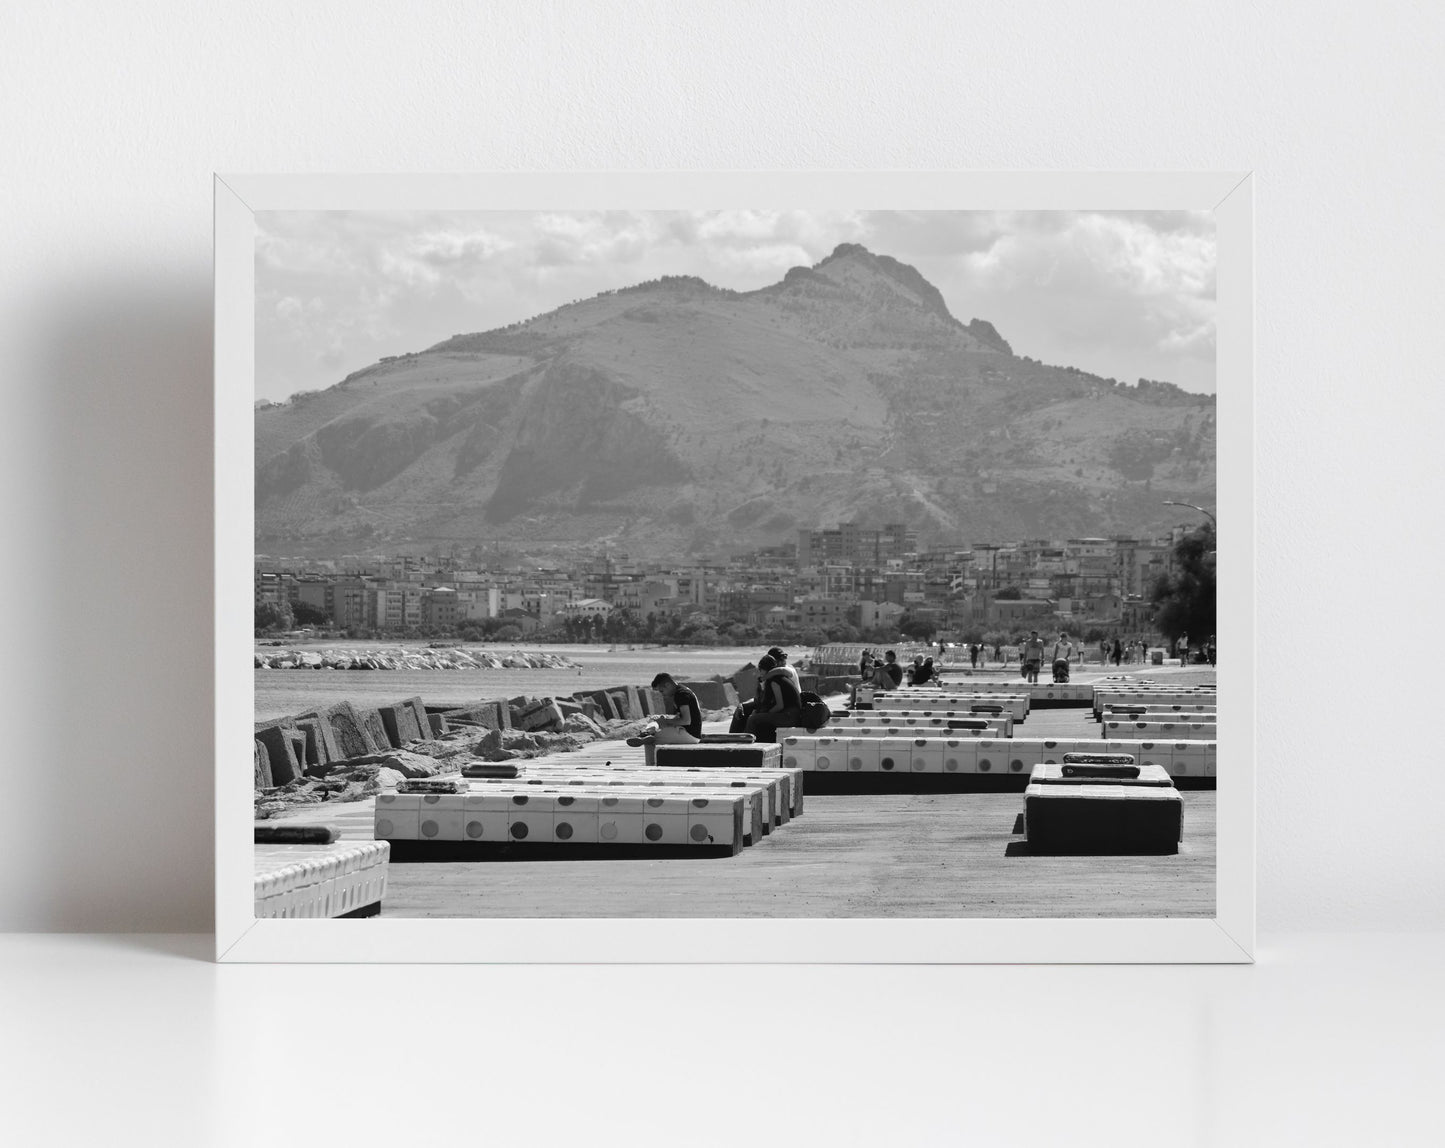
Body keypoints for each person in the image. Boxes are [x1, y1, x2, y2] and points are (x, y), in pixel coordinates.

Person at [744, 655, 804, 743]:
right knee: (759, 717)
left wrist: (766, 714)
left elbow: (780, 705)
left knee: (752, 719)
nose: (759, 672)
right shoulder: (780, 678)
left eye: (760, 669)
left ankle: (747, 745)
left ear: (765, 669)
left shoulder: (774, 681)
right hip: (791, 715)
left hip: (789, 717)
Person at [650, 672, 701, 743]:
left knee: (652, 737)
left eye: (662, 691)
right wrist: (665, 718)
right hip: (691, 733)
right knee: (654, 728)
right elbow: (681, 717)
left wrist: (665, 721)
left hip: (690, 735)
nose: (662, 694)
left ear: (667, 685)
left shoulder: (681, 695)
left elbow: (686, 721)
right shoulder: (681, 691)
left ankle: (645, 740)